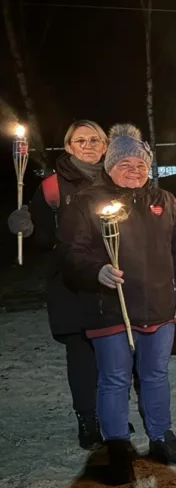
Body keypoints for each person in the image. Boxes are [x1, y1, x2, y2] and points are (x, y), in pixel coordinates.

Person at [57, 124, 176, 485]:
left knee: (156, 375)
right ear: (109, 167)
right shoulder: (89, 202)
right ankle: (118, 446)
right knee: (115, 379)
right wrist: (97, 271)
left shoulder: (163, 201)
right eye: (125, 164)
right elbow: (72, 254)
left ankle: (161, 435)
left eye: (140, 164)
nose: (134, 171)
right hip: (111, 306)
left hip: (158, 307)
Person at [7, 120, 108, 449]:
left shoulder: (118, 177)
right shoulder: (52, 186)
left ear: (106, 145)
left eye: (96, 139)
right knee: (81, 353)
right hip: (70, 280)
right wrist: (27, 229)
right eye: (81, 140)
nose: (89, 145)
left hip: (110, 275)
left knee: (113, 353)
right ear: (68, 147)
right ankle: (88, 419)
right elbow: (43, 239)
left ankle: (112, 414)